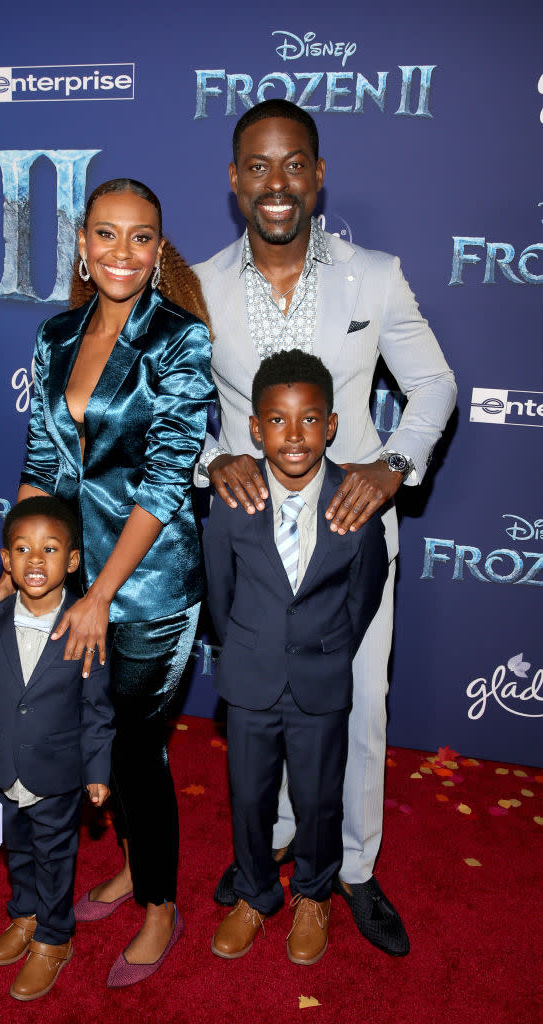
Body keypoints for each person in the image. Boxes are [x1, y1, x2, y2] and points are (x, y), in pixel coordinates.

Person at [193, 99, 457, 956]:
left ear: (318, 173)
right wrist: (209, 460)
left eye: (294, 163)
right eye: (258, 167)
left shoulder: (373, 276)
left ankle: (348, 867)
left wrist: (390, 469)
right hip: (250, 538)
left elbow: (435, 387)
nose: (277, 183)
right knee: (259, 700)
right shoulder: (192, 286)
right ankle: (269, 855)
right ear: (235, 181)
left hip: (349, 530)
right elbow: (163, 412)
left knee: (360, 705)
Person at [0, 178, 215, 987]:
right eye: (105, 235)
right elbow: (42, 467)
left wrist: (101, 594)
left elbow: (163, 483)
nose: (121, 253)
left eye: (139, 237)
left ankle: (159, 907)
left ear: (158, 248)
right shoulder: (55, 336)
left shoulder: (179, 340)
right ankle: (81, 892)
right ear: (82, 244)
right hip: (75, 583)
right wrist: (16, 573)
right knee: (83, 739)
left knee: (135, 751)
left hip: (146, 590)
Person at [205, 350, 388, 964]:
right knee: (249, 796)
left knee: (318, 798)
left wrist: (326, 650)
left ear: (331, 425)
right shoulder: (232, 502)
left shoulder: (357, 505)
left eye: (309, 420)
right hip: (250, 680)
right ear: (255, 428)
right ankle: (256, 893)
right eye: (277, 421)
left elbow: (361, 603)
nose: (294, 435)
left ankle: (314, 894)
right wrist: (248, 650)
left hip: (321, 680)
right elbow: (220, 593)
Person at [0, 496, 113, 1002]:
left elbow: (96, 709)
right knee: (17, 852)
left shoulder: (84, 624)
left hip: (58, 772)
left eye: (50, 549)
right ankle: (24, 916)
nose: (36, 560)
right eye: (22, 549)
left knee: (55, 857)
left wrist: (97, 769)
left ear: (71, 560)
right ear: (6, 561)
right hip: (1, 769)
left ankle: (54, 935)